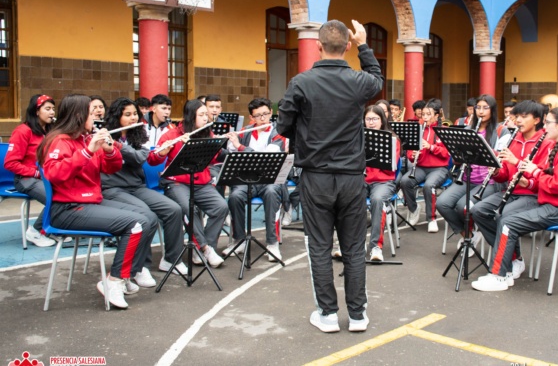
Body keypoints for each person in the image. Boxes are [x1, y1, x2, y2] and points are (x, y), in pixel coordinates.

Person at [277, 19, 383, 333]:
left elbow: (283, 126)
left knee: (320, 246)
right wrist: (365, 44)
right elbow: (376, 79)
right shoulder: (358, 81)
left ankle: (326, 314)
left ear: (318, 47)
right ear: (347, 47)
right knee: (353, 247)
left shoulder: (301, 82)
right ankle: (358, 315)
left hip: (316, 177)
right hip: (351, 177)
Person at [38, 94, 158, 309]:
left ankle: (126, 275)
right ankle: (113, 281)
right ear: (78, 115)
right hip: (68, 208)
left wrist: (110, 151)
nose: (95, 118)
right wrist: (87, 151)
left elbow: (110, 168)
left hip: (91, 201)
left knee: (148, 218)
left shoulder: (85, 138)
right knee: (135, 225)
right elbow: (55, 174)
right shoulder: (59, 141)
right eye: (91, 114)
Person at [472, 107, 558, 292]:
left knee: (508, 222)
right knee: (499, 217)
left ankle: (498, 275)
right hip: (551, 203)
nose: (544, 127)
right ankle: (504, 271)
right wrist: (527, 182)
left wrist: (534, 171)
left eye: (547, 123)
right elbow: (544, 183)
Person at [102, 98, 187, 284]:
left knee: (174, 210)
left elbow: (141, 157)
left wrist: (118, 146)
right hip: (112, 189)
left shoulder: (138, 135)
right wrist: (116, 146)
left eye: (135, 114)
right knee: (147, 216)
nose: (133, 118)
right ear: (117, 117)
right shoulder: (104, 135)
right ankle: (141, 267)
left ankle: (171, 259)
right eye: (128, 115)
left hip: (136, 187)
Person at [470, 100, 553, 279]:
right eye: (517, 117)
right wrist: (496, 171)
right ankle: (514, 257)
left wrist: (517, 163)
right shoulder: (514, 139)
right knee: (478, 211)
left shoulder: (546, 143)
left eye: (524, 117)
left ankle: (504, 265)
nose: (518, 121)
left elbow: (543, 177)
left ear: (537, 120)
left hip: (532, 195)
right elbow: (505, 175)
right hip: (511, 192)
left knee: (503, 215)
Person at [147, 99, 229, 268]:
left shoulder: (207, 133)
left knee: (221, 207)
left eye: (206, 114)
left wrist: (217, 146)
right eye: (202, 115)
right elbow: (153, 159)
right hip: (176, 181)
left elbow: (212, 159)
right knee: (187, 207)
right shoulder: (172, 134)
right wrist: (165, 150)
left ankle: (204, 248)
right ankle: (205, 248)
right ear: (191, 117)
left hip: (201, 181)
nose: (206, 118)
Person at [223, 97, 287, 262]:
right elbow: (232, 152)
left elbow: (266, 156)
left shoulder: (278, 132)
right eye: (258, 116)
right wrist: (231, 141)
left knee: (273, 194)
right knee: (235, 197)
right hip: (247, 180)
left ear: (271, 113)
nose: (263, 118)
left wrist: (239, 146)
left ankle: (272, 243)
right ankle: (239, 240)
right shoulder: (246, 131)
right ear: (251, 117)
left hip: (269, 180)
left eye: (266, 114)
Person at [437, 95, 499, 254]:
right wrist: (457, 155)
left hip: (489, 181)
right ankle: (468, 235)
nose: (481, 111)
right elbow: (456, 160)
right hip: (466, 178)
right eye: (478, 107)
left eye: (485, 108)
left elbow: (500, 160)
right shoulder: (467, 130)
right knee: (442, 203)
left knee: (462, 206)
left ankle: (472, 233)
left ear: (492, 110)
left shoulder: (499, 131)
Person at [4, 94, 57, 247]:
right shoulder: (23, 131)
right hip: (26, 179)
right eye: (47, 109)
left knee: (69, 194)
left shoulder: (50, 131)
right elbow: (10, 163)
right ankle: (36, 231)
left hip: (46, 177)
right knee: (56, 198)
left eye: (53, 109)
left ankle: (53, 229)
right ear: (36, 111)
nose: (52, 112)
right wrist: (35, 173)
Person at [398, 98, 451, 233]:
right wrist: (412, 155)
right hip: (421, 167)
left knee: (429, 185)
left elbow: (447, 154)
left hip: (439, 168)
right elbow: (409, 150)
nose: (425, 117)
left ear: (436, 115)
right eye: (423, 114)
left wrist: (431, 147)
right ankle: (414, 209)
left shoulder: (443, 130)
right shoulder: (419, 129)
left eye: (428, 114)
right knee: (405, 181)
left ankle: (431, 218)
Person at [363, 105, 401, 262]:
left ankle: (375, 247)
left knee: (378, 200)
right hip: (363, 180)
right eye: (368, 119)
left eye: (375, 119)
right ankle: (352, 244)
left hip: (384, 181)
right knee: (348, 196)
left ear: (382, 120)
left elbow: (392, 167)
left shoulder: (392, 139)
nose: (371, 122)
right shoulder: (359, 137)